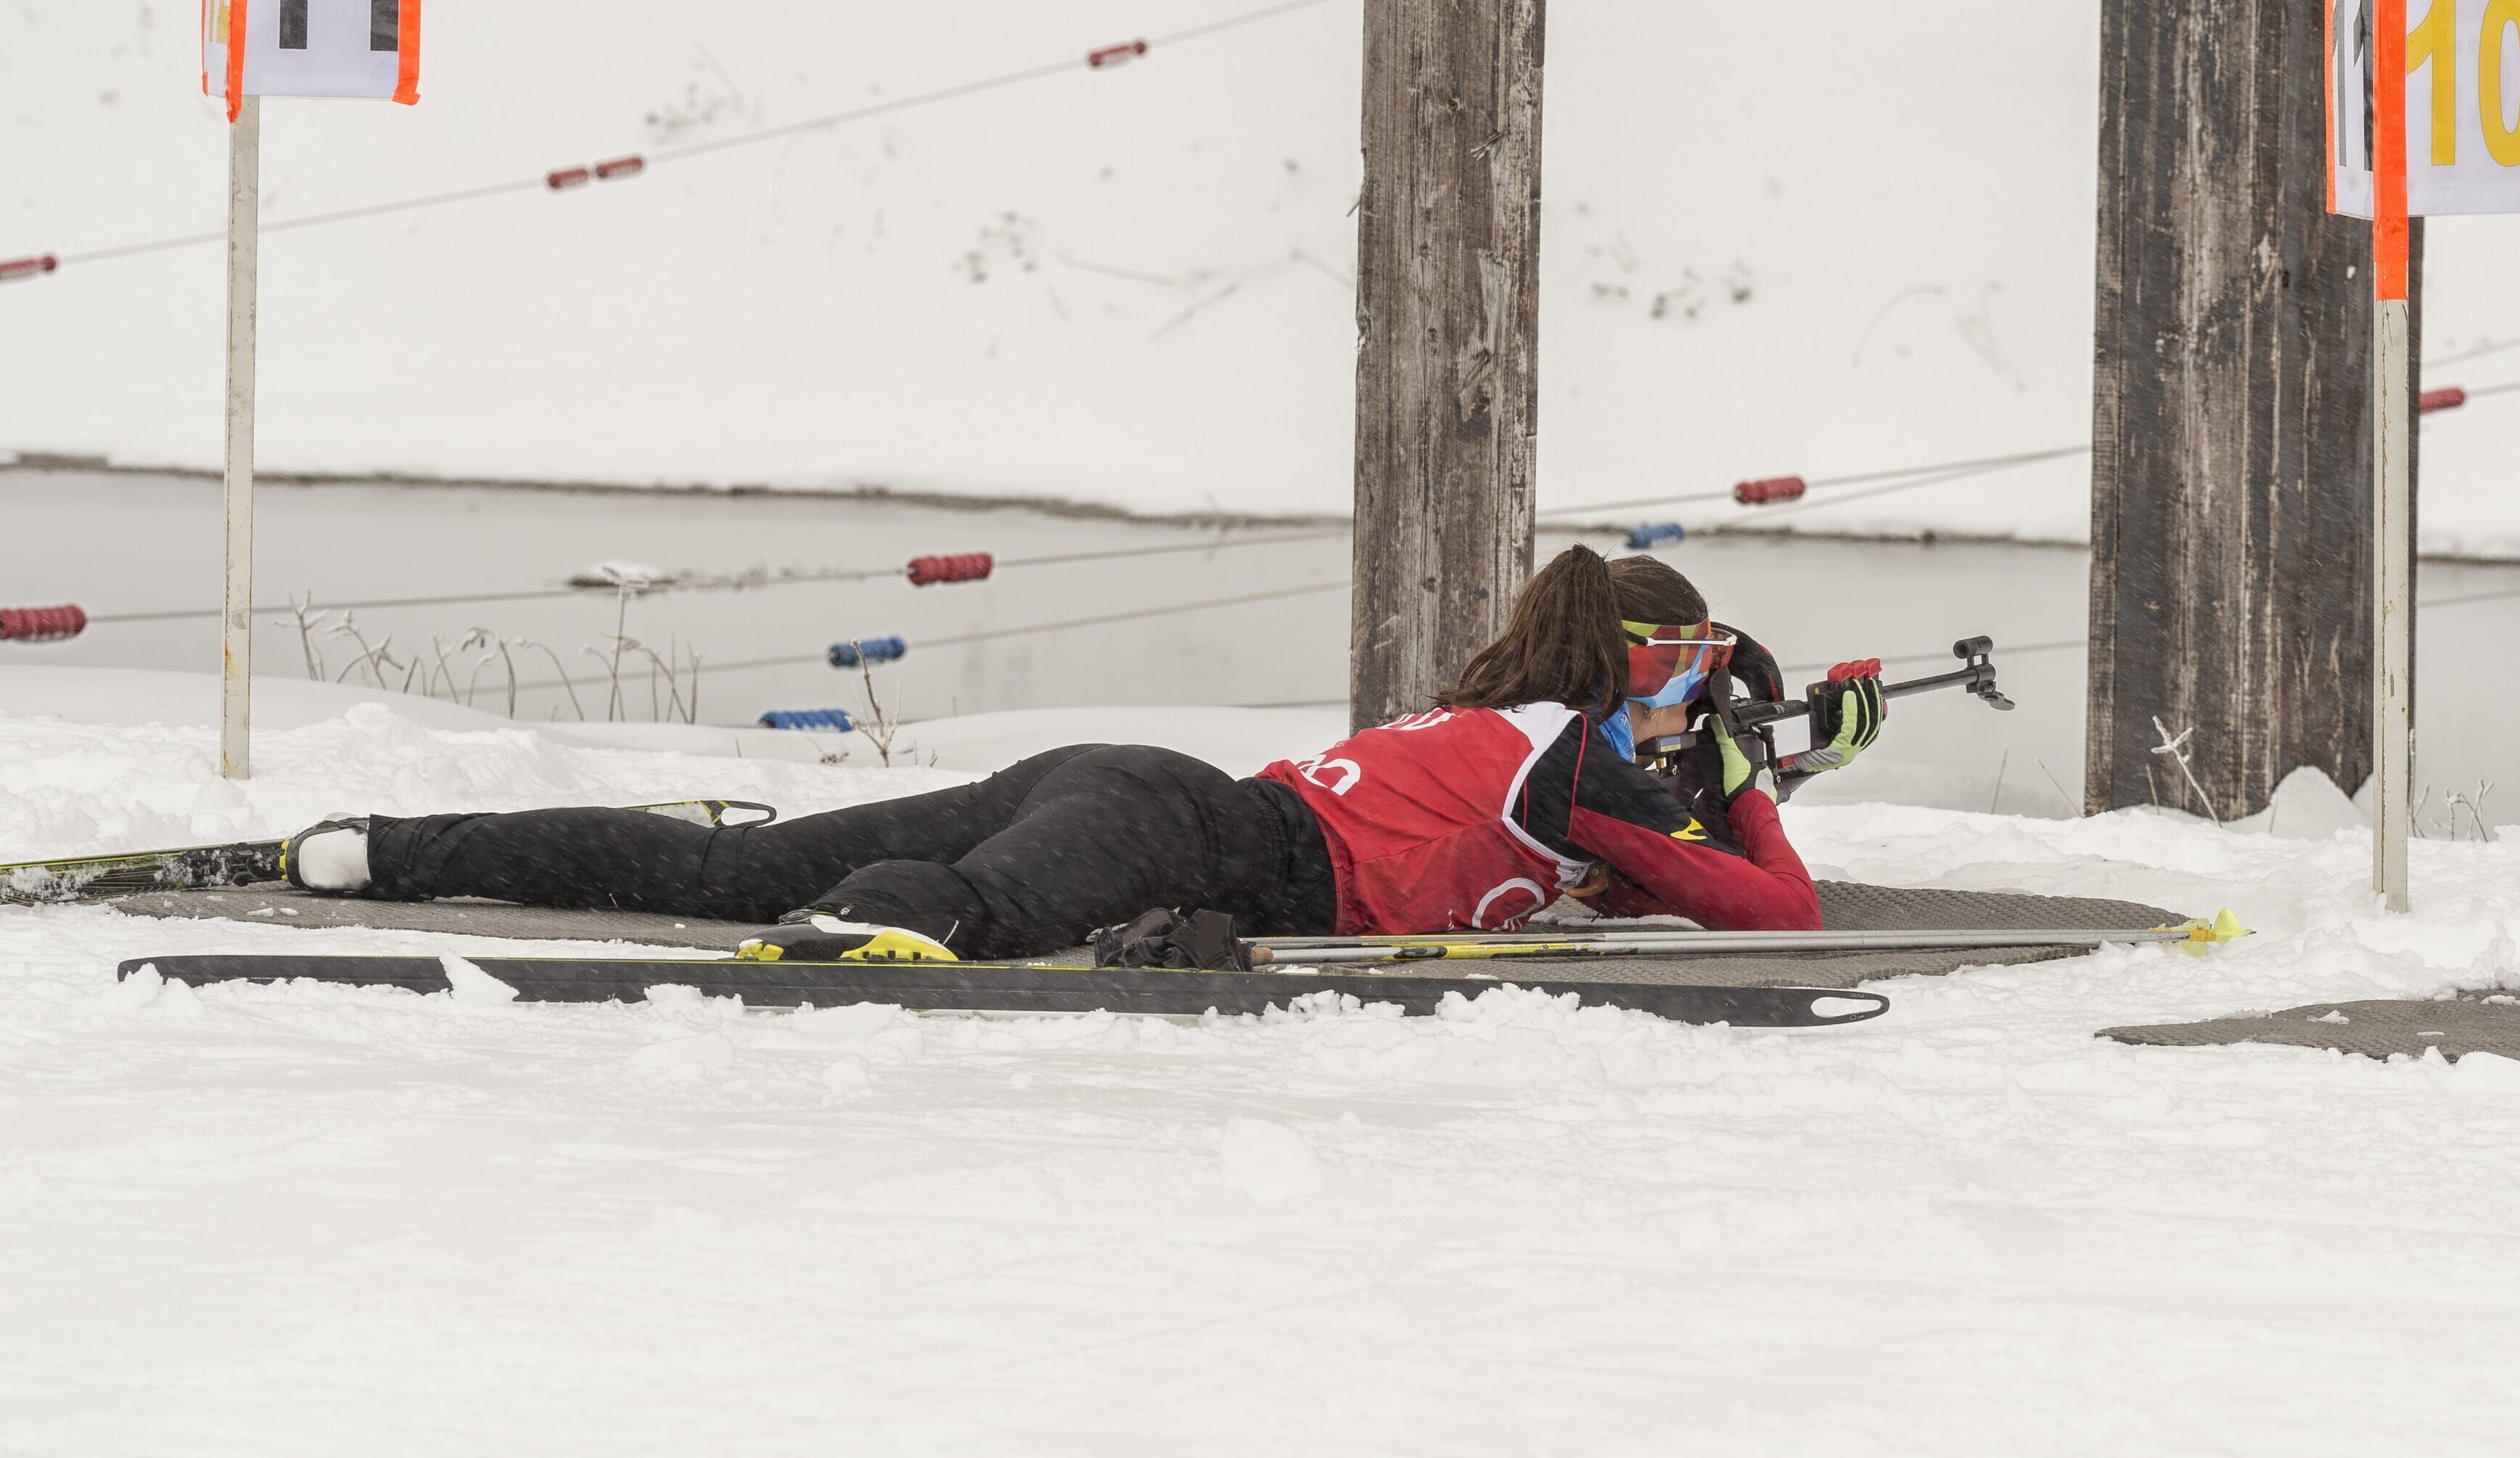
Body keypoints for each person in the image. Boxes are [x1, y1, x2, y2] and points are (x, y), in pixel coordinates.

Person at [280, 546, 1888, 961]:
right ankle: (859, 929)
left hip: (1140, 787)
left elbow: (1608, 890)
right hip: (1188, 842)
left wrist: (1767, 773)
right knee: (952, 916)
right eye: (1685, 672)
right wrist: (1756, 794)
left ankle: (383, 847)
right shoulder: (1580, 761)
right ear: (1636, 668)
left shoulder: (1508, 728)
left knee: (715, 868)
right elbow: (1768, 917)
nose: (1696, 708)